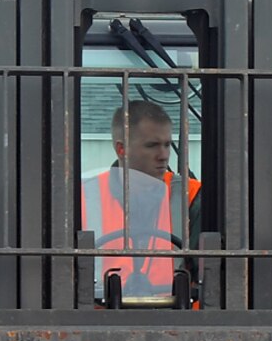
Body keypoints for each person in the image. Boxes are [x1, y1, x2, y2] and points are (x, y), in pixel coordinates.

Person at [80, 100, 201, 301]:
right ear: (121, 149)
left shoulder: (192, 197)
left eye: (167, 145)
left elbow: (210, 279)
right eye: (152, 146)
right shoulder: (82, 199)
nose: (163, 156)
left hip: (176, 322)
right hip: (99, 324)